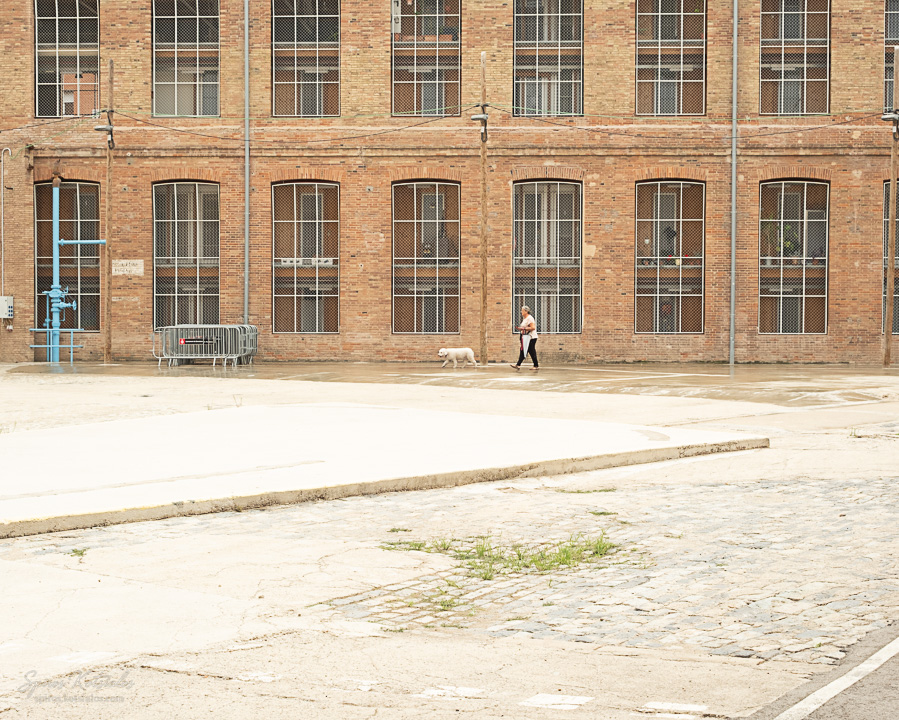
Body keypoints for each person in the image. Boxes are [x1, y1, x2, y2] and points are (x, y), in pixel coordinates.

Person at [511, 306, 538, 371]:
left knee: (530, 351)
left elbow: (533, 328)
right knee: (524, 350)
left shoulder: (530, 318)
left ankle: (535, 365)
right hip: (525, 337)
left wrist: (523, 328)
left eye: (522, 310)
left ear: (526, 311)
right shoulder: (525, 319)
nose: (521, 312)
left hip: (531, 337)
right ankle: (518, 365)